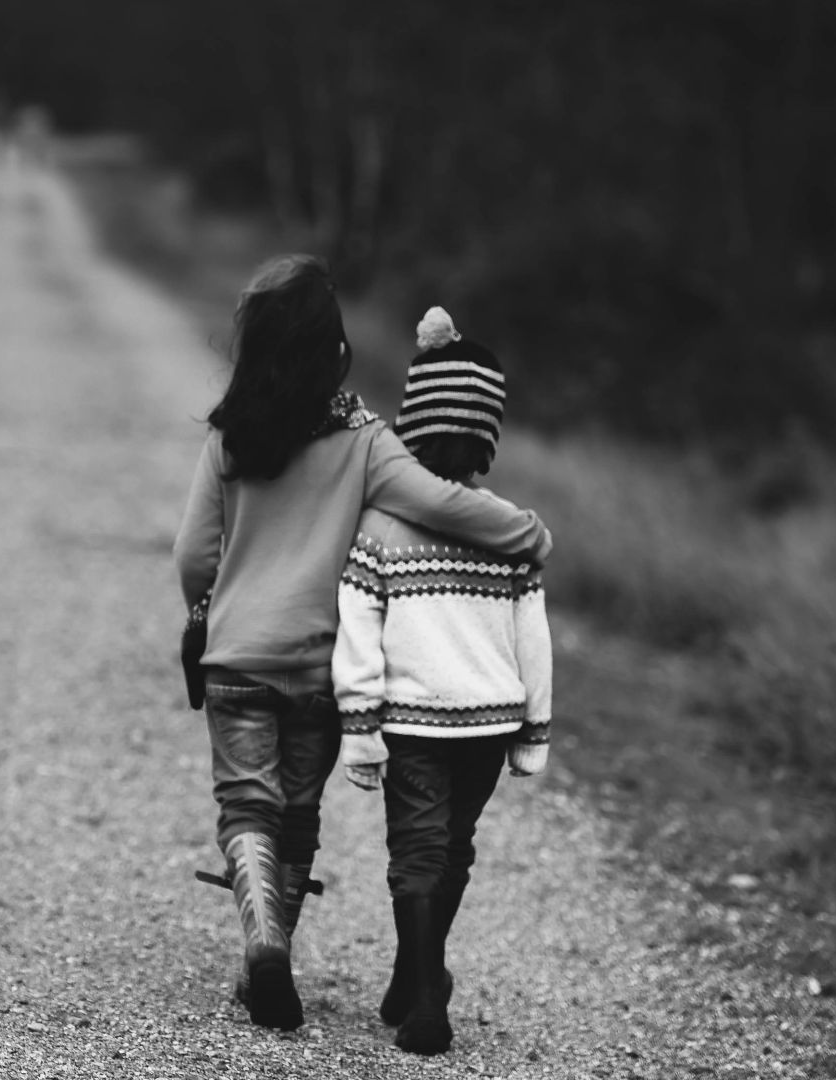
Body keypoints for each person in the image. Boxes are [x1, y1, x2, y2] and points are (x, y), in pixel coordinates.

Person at [172, 259, 553, 1033]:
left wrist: (209, 611)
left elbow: (192, 556)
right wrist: (528, 534)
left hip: (238, 658)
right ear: (333, 349)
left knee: (247, 805)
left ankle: (265, 941)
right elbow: (441, 502)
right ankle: (276, 946)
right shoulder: (365, 440)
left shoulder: (229, 438)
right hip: (319, 666)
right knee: (298, 815)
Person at [332, 307, 552, 1055]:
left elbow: (357, 630)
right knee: (453, 848)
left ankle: (425, 994)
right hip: (488, 724)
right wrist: (535, 730)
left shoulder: (381, 525)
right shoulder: (507, 529)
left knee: (417, 853)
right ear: (487, 437)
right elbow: (534, 639)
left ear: (410, 427)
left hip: (413, 722)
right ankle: (415, 974)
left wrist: (359, 728)